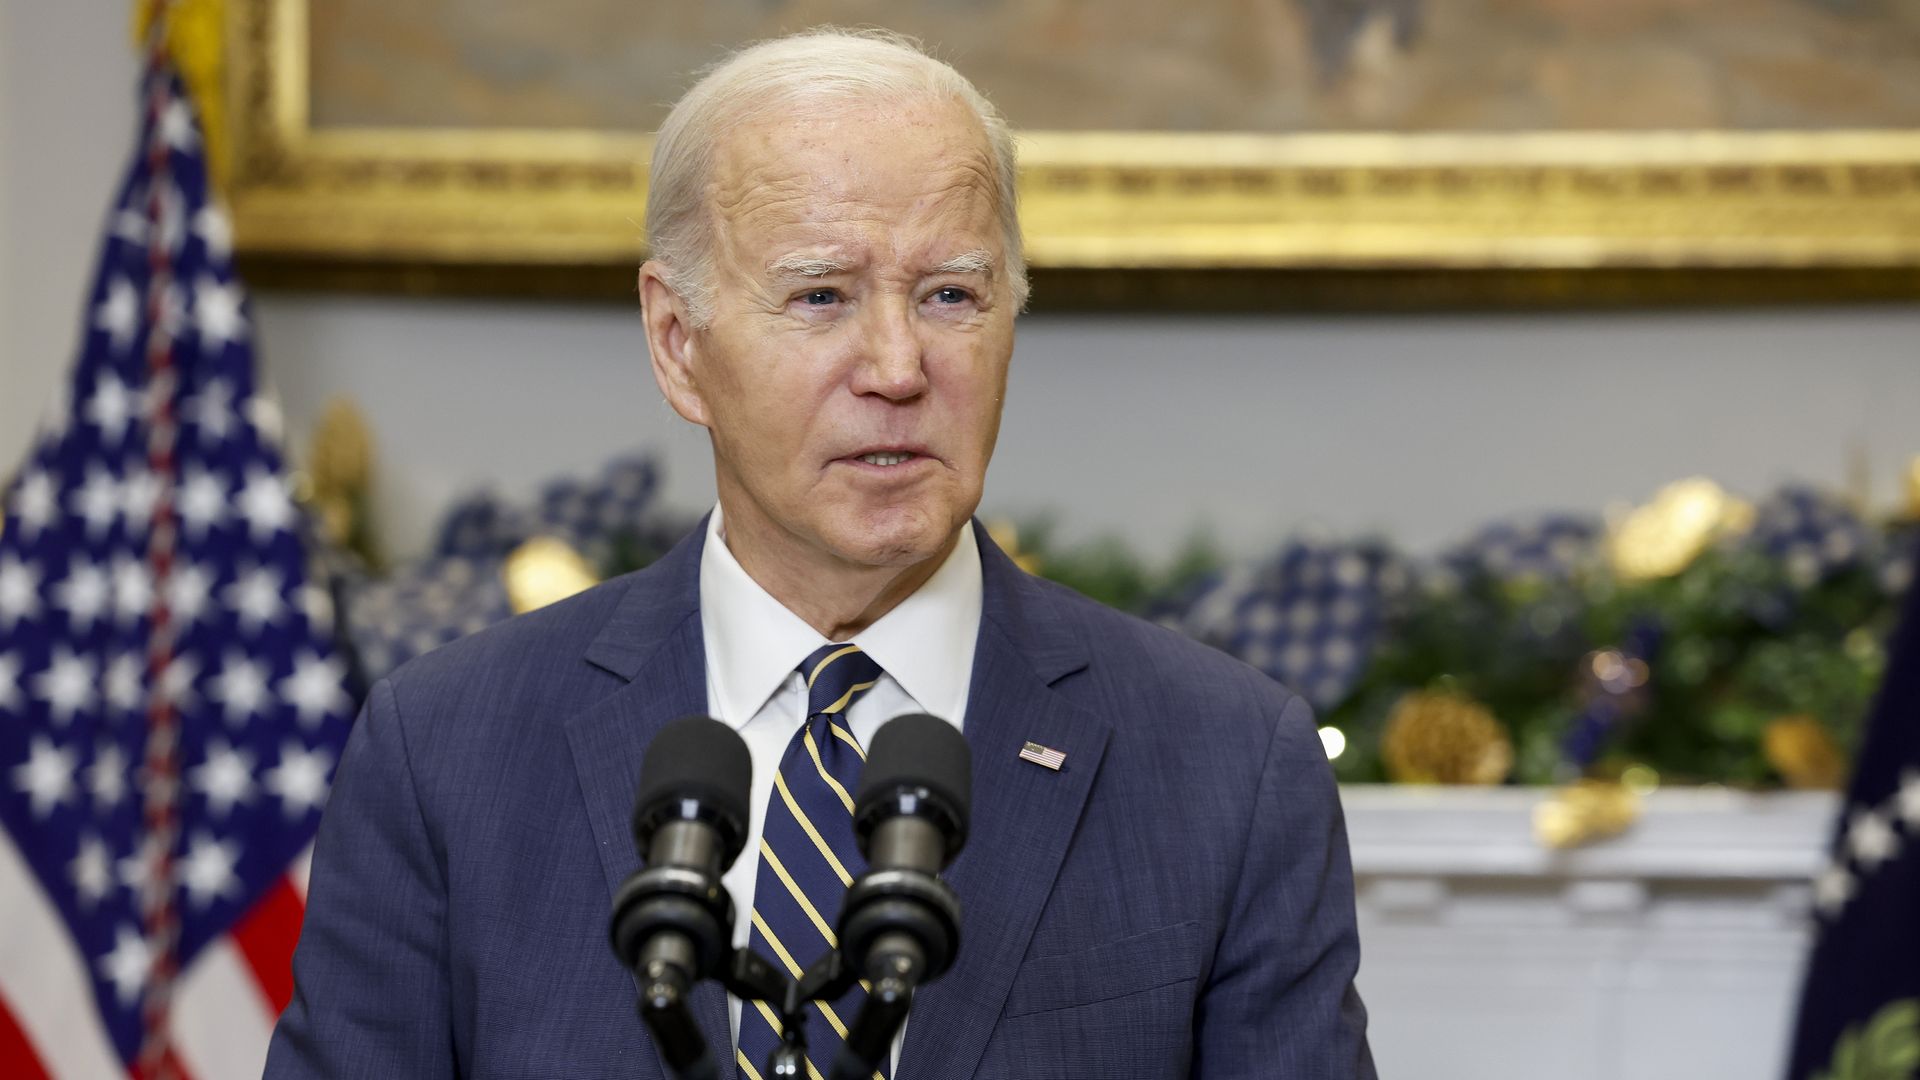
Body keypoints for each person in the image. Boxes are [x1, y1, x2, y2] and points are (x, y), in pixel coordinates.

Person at [265, 28, 1374, 1080]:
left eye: (950, 295)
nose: (896, 367)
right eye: (821, 296)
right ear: (677, 343)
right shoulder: (443, 753)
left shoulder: (1227, 765)